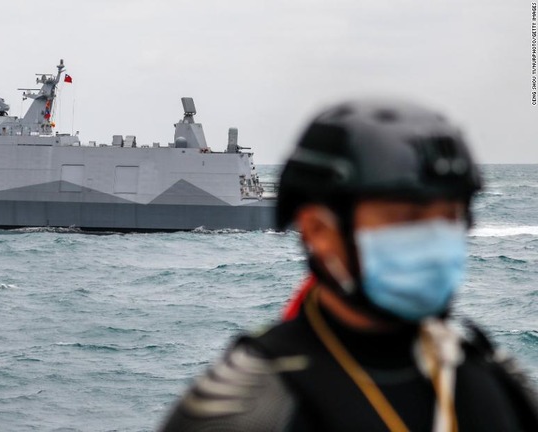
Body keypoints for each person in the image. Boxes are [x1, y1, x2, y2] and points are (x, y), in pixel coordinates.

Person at [159, 98, 538, 431]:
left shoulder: (499, 383)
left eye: (450, 217)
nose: (435, 239)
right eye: (405, 217)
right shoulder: (241, 412)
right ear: (319, 230)